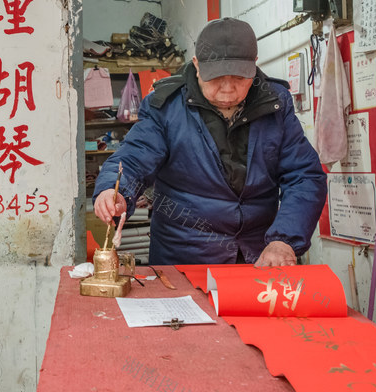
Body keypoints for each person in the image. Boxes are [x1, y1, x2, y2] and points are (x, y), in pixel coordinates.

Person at [93, 17, 326, 267]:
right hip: (185, 259)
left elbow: (304, 176)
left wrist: (284, 240)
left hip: (260, 258)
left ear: (253, 66)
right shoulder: (166, 106)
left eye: (239, 78)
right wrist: (113, 190)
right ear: (196, 65)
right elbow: (134, 158)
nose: (228, 90)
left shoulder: (276, 103)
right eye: (215, 79)